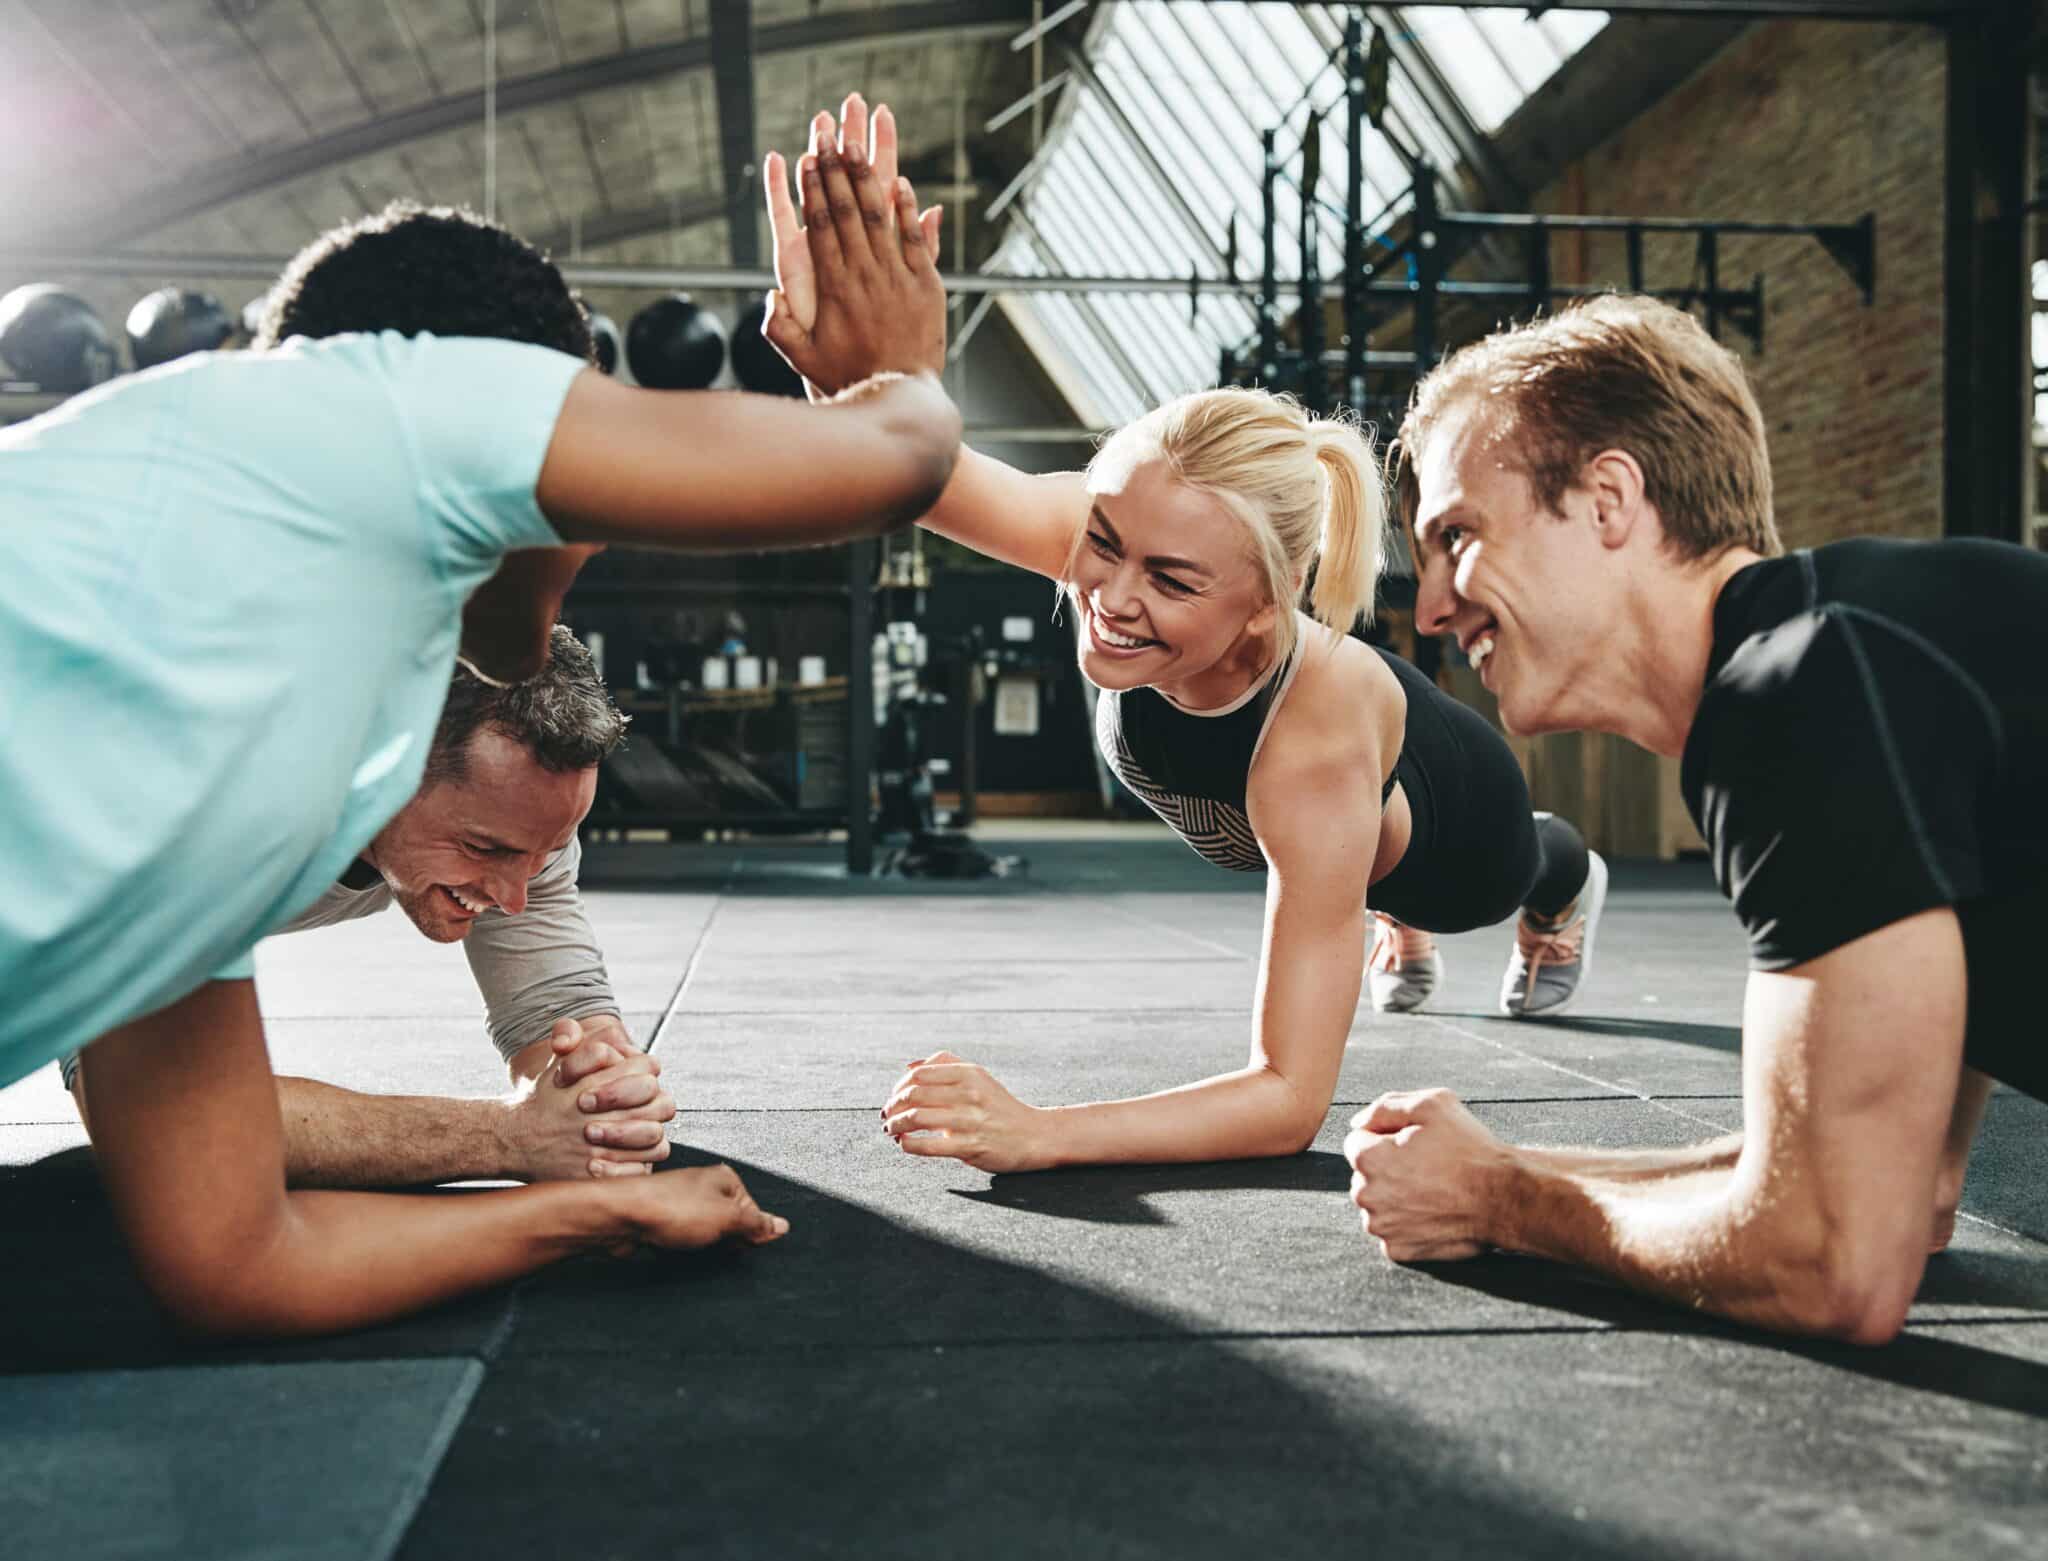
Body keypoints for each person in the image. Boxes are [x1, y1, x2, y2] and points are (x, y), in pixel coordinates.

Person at [0, 196, 959, 1335]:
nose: (596, 516)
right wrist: (891, 368)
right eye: (584, 426)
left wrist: (597, 1207)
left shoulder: (217, 672)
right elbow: (895, 459)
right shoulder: (388, 401)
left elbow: (235, 1260)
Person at [760, 99, 1607, 1178]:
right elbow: (909, 467)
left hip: (1458, 837)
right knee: (1331, 872)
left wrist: (1045, 1133)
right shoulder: (1106, 546)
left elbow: (1284, 1099)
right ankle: (1361, 896)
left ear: (1265, 602)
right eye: (1102, 543)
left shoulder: (1306, 746)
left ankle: (1551, 884)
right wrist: (847, 373)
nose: (1107, 595)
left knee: (1503, 866)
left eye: (1167, 579)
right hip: (1335, 808)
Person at [1341, 292, 2047, 1345]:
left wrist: (1496, 1203)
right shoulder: (1858, 645)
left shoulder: (1801, 689)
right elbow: (1912, 1186)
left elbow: (1835, 1259)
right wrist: (1504, 1170)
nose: (1432, 605)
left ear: (1607, 499)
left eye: (1457, 536)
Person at [65, 625, 682, 1187]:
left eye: (544, 851)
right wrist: (510, 1136)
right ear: (378, 765)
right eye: (482, 848)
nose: (515, 896)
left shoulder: (518, 819)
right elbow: (159, 1111)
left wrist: (604, 1096)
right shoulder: (194, 808)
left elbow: (561, 1015)